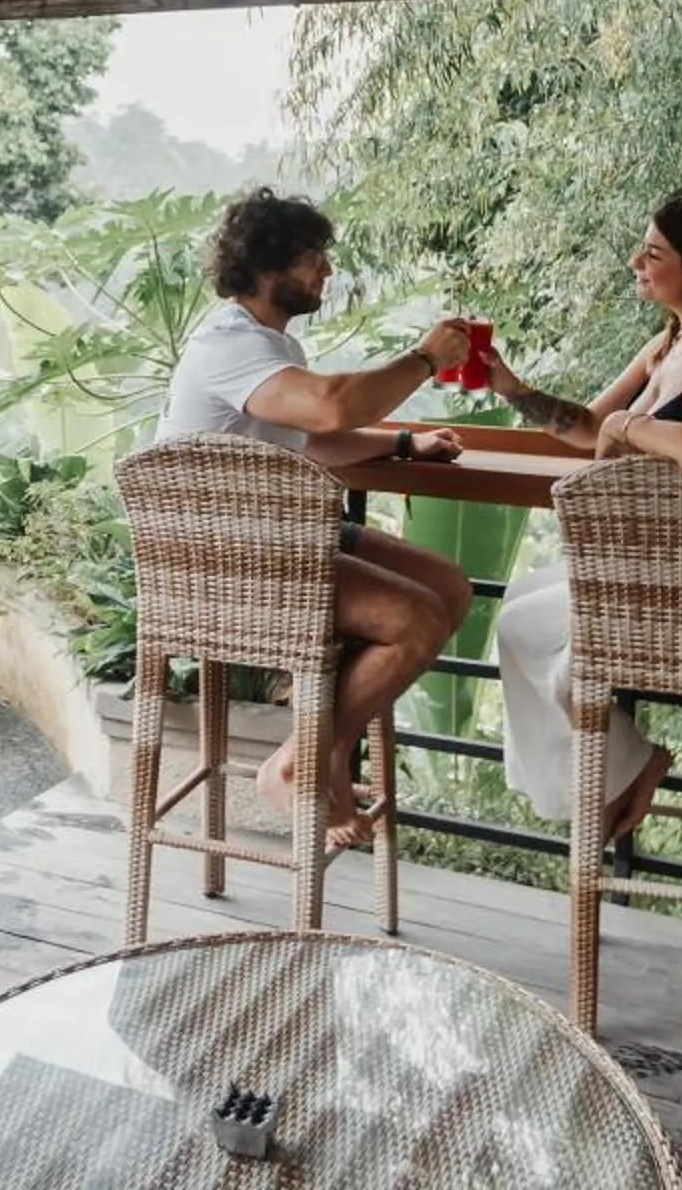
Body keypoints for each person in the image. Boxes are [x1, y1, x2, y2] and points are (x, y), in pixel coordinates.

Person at [156, 188, 478, 848]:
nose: (326, 271)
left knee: (449, 588)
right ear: (270, 264)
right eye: (314, 257)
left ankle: (323, 743)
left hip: (279, 539)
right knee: (412, 619)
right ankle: (302, 757)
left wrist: (400, 445)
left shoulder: (266, 348)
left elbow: (314, 436)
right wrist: (425, 359)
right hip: (230, 561)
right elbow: (330, 407)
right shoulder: (229, 345)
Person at [482, 195, 682, 838]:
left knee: (556, 657)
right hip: (639, 566)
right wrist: (512, 388)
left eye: (653, 254)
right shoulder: (670, 345)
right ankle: (627, 769)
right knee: (516, 622)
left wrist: (631, 424)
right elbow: (589, 425)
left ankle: (622, 776)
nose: (635, 263)